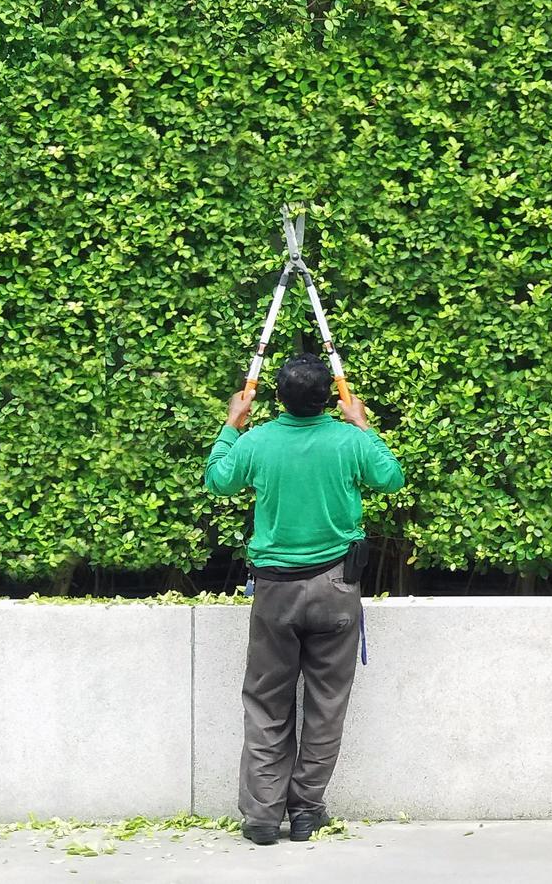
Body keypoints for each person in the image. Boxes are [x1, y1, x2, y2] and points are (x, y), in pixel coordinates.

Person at [203, 353, 405, 845]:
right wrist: (362, 425)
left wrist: (232, 424)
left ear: (279, 397)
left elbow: (217, 480)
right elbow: (391, 478)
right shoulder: (349, 440)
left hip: (275, 592)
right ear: (329, 400)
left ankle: (263, 817)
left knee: (268, 703)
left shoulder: (258, 441)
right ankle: (307, 811)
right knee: (327, 704)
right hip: (337, 589)